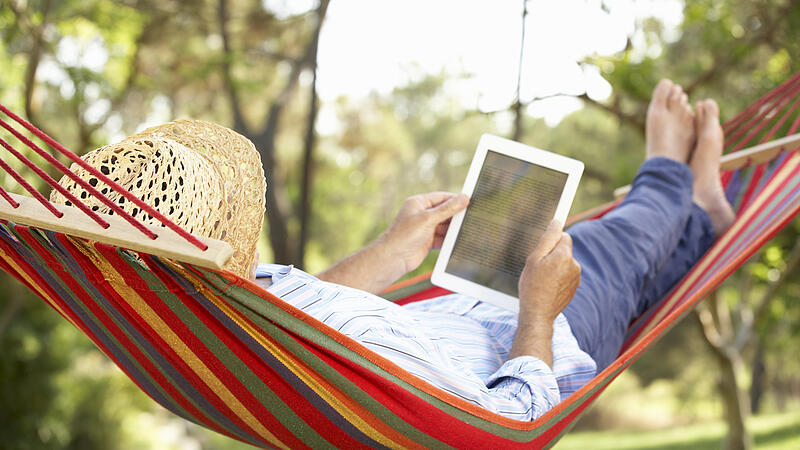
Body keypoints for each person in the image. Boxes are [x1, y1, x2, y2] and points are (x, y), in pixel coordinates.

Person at [53, 79, 734, 422]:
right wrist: (537, 312)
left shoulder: (221, 318)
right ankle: (670, 177)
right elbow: (512, 420)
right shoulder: (233, 327)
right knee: (606, 244)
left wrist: (392, 251)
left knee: (628, 271)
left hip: (464, 306)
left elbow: (310, 321)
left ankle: (702, 216)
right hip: (545, 337)